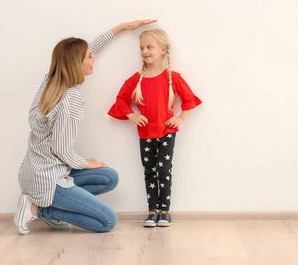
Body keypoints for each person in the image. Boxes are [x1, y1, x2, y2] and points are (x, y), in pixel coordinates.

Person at [14, 19, 157, 235]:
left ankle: (45, 206)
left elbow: (87, 49)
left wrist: (122, 28)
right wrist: (86, 163)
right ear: (77, 64)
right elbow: (61, 150)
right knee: (107, 221)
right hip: (48, 179)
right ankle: (40, 209)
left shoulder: (51, 80)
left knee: (109, 177)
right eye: (90, 57)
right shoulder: (71, 100)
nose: (94, 58)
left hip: (36, 171)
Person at [108, 28, 202, 227]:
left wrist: (181, 118)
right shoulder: (136, 80)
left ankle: (165, 211)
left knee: (164, 171)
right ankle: (152, 211)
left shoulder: (172, 77)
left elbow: (189, 99)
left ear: (163, 50)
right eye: (142, 47)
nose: (144, 51)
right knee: (149, 172)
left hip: (167, 133)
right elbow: (121, 100)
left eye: (149, 47)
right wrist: (133, 115)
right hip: (145, 134)